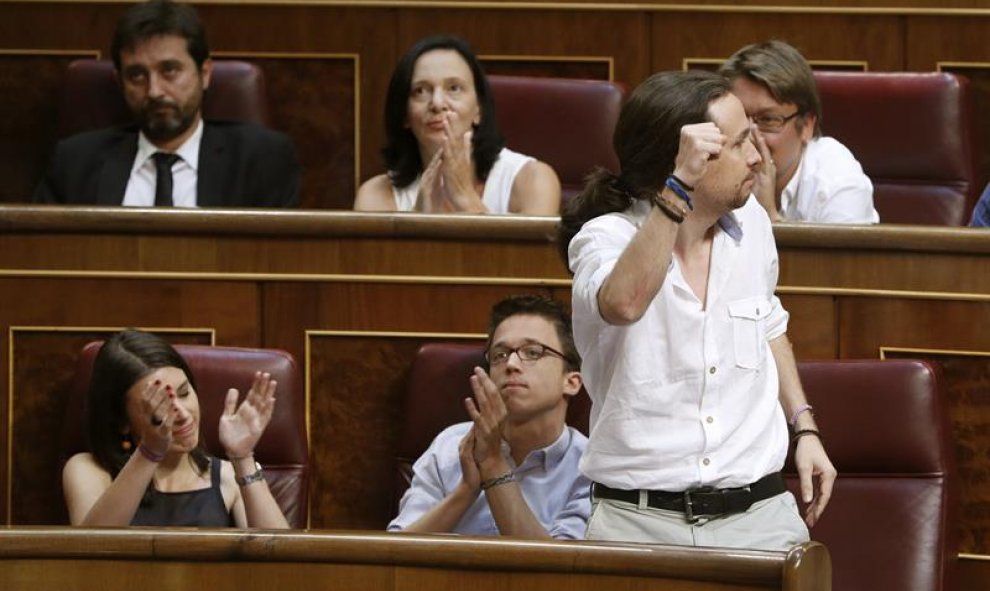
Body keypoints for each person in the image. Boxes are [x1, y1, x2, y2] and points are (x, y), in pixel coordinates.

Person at [557, 70, 836, 552]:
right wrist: (678, 189)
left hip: (760, 516)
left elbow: (768, 321)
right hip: (637, 521)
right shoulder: (605, 239)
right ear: (686, 161)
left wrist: (804, 425)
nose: (756, 157)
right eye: (737, 144)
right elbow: (624, 303)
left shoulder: (752, 225)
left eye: (754, 136)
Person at [33, 0, 299, 208]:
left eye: (169, 70)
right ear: (119, 82)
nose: (154, 91)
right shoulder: (75, 163)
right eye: (137, 75)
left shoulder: (261, 160)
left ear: (204, 74)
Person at [388, 295, 590, 539]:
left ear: (571, 381)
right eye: (500, 355)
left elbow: (557, 573)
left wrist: (493, 464)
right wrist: (466, 491)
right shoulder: (451, 445)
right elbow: (398, 553)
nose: (511, 364)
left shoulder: (590, 467)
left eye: (533, 352)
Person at [62, 329, 290, 528]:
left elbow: (283, 562)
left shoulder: (229, 476)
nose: (182, 413)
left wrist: (243, 457)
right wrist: (150, 451)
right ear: (122, 422)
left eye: (184, 393)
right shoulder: (88, 470)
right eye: (160, 405)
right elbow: (92, 554)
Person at [354, 35, 560, 215]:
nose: (437, 103)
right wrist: (417, 221)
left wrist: (464, 198)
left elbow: (527, 260)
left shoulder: (533, 180)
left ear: (478, 109)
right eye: (420, 91)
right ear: (404, 116)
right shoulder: (376, 195)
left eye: (454, 88)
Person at [718, 40, 877, 224]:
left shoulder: (838, 182)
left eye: (768, 120)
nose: (751, 138)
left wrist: (768, 218)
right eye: (740, 118)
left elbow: (844, 254)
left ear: (807, 126)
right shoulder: (713, 166)